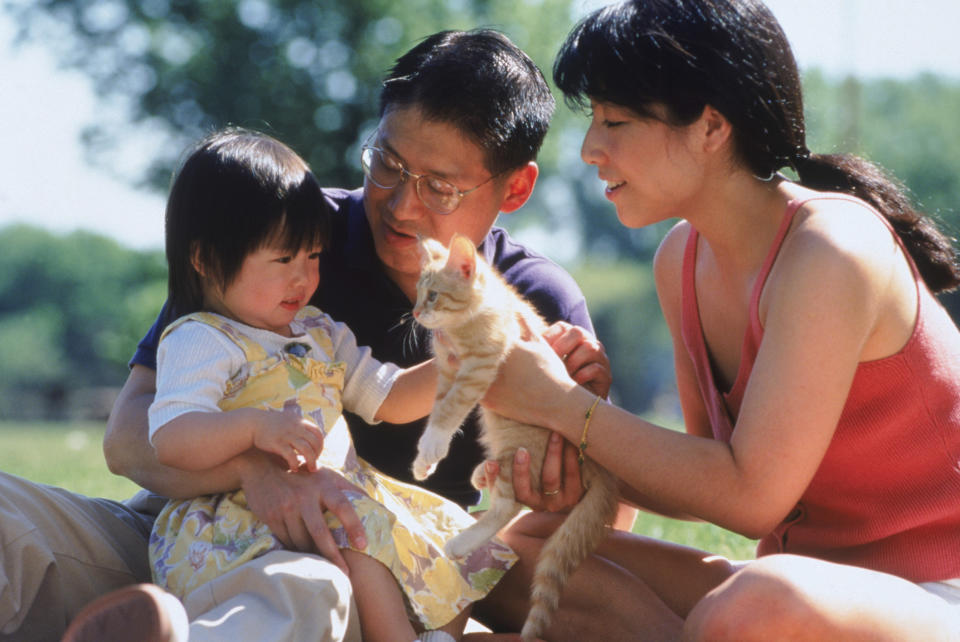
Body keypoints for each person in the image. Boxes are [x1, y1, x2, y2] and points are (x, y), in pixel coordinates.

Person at [0, 29, 610, 642]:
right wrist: (253, 469)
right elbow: (129, 439)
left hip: (360, 571)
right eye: (387, 164)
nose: (400, 205)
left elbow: (598, 514)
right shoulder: (284, 226)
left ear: (516, 188)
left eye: (440, 186)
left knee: (312, 593)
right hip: (187, 531)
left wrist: (572, 427)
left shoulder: (534, 305)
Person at [478, 1, 960, 640]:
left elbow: (753, 494)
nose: (592, 148)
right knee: (504, 556)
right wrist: (579, 446)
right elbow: (712, 481)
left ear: (710, 127)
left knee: (758, 602)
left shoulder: (831, 249)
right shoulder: (681, 259)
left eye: (616, 121)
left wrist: (567, 408)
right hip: (803, 588)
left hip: (933, 592)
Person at [146, 127, 517, 642]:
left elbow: (387, 397)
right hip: (240, 521)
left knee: (453, 537)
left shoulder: (320, 331)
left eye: (313, 257)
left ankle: (439, 635)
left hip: (333, 496)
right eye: (282, 260)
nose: (303, 278)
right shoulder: (204, 339)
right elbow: (170, 438)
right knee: (359, 535)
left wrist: (459, 361)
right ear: (206, 259)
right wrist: (252, 428)